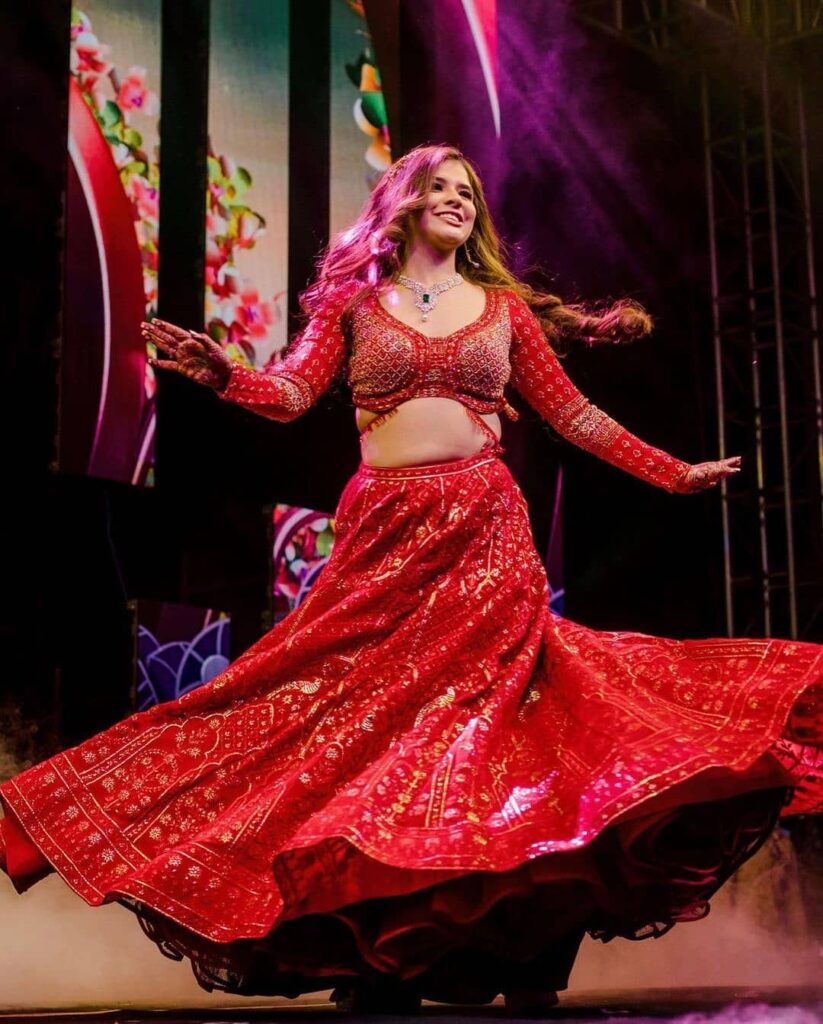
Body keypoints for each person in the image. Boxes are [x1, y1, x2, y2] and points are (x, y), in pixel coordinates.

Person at [1, 144, 822, 1016]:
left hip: (483, 535)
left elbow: (574, 416)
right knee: (351, 727)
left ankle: (502, 940)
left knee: (488, 736)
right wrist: (224, 374)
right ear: (400, 202)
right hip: (383, 538)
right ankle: (376, 948)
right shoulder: (356, 305)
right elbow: (287, 395)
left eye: (468, 192)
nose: (458, 201)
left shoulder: (502, 310)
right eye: (439, 187)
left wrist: (670, 472)